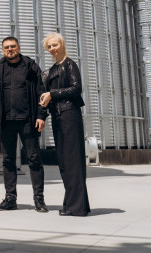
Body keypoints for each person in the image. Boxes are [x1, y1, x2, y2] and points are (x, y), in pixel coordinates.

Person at [0, 36, 49, 212]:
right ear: (3, 50)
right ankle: (10, 199)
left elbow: (41, 93)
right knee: (8, 160)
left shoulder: (31, 67)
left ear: (19, 48)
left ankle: (39, 199)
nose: (10, 49)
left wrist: (41, 115)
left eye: (13, 46)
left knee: (34, 159)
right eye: (6, 47)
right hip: (5, 122)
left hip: (28, 121)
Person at [39, 32, 91, 216]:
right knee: (64, 161)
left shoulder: (70, 64)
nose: (52, 49)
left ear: (62, 44)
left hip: (70, 115)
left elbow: (77, 88)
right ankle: (73, 203)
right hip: (57, 116)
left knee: (73, 160)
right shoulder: (52, 69)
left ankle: (76, 206)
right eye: (49, 47)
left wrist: (52, 94)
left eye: (55, 45)